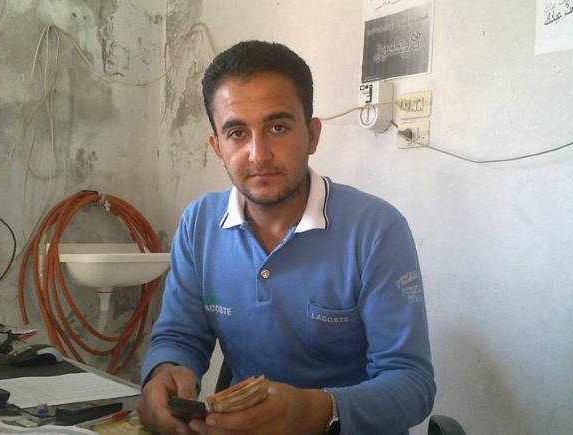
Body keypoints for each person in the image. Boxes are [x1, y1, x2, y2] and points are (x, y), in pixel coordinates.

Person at [137, 40, 435, 435]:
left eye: (277, 128)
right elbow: (179, 336)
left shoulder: (377, 229)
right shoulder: (199, 224)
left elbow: (412, 385)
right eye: (237, 133)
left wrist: (316, 411)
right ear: (217, 148)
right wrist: (164, 372)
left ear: (312, 135)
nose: (258, 154)